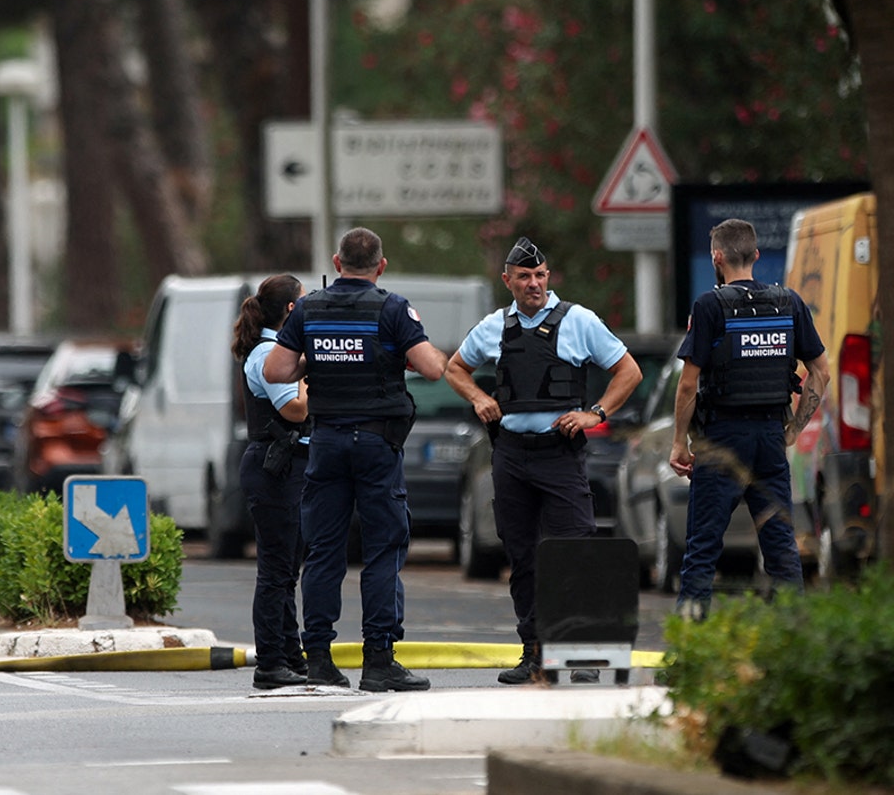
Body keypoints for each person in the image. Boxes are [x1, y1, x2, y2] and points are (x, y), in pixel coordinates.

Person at [443, 236, 642, 685]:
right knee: (523, 557)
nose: (533, 284)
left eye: (540, 275)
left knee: (574, 552)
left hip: (560, 454)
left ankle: (580, 655)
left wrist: (596, 413)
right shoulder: (494, 326)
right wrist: (479, 397)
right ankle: (533, 652)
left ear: (548, 277)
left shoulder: (579, 320)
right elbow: (454, 368)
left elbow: (628, 371)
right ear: (507, 280)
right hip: (512, 455)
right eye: (524, 277)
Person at [264, 227, 448, 692]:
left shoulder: (308, 308)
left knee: (325, 550)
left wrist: (317, 360)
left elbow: (276, 370)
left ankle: (319, 659)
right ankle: (379, 660)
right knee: (383, 549)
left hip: (325, 442)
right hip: (376, 445)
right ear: (380, 266)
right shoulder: (392, 308)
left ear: (337, 261)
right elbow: (432, 367)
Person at [668, 218, 828, 621]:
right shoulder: (789, 303)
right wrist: (792, 429)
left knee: (703, 548)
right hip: (771, 438)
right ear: (756, 255)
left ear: (716, 257)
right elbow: (821, 371)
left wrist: (678, 443)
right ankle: (792, 643)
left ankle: (691, 646)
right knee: (780, 546)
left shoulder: (709, 306)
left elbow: (688, 386)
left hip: (722, 439)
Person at [232, 274, 311, 690]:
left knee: (286, 569)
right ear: (291, 311)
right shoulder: (267, 353)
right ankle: (270, 662)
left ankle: (290, 656)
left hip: (284, 468)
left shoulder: (276, 350)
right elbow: (295, 409)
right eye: (305, 302)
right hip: (274, 468)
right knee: (276, 570)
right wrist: (309, 374)